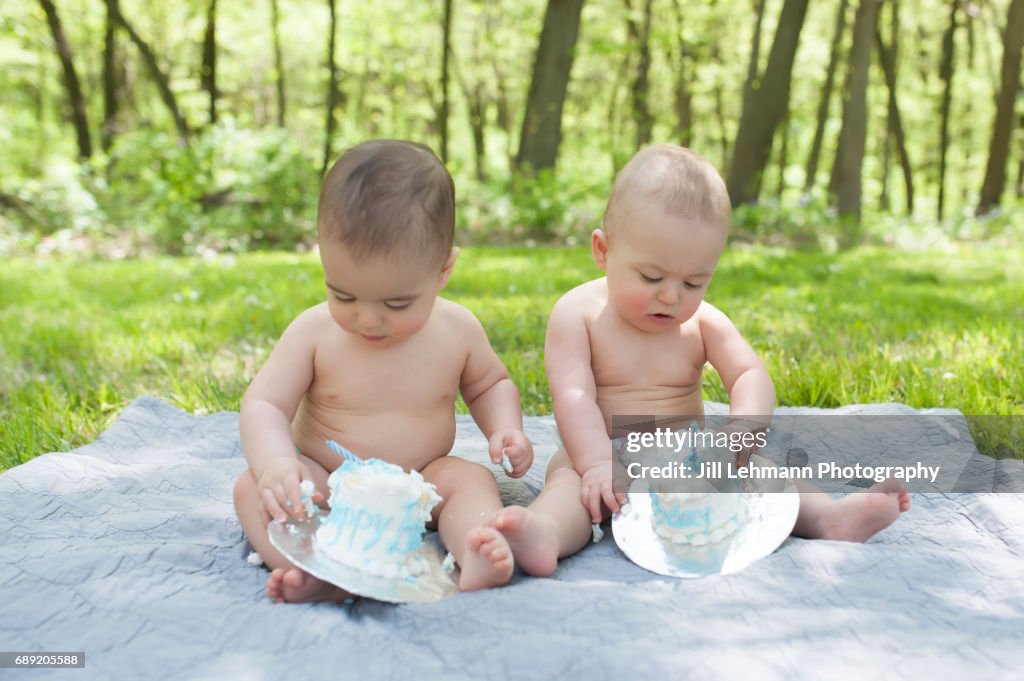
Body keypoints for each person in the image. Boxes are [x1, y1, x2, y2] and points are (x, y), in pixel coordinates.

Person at [490, 144, 911, 576]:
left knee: (766, 476)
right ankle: (545, 534)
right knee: (569, 486)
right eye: (650, 277)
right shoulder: (577, 313)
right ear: (603, 250)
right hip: (601, 452)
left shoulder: (703, 322)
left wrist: (742, 434)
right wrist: (598, 462)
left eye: (694, 282)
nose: (671, 296)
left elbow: (749, 372)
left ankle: (828, 517)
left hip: (690, 459)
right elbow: (573, 396)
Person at [233, 139, 534, 602]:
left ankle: (475, 547)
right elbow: (265, 402)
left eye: (397, 303)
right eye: (344, 295)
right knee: (251, 489)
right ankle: (311, 565)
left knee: (472, 481)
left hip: (423, 486)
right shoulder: (313, 332)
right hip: (327, 485)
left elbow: (490, 383)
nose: (368, 320)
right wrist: (277, 464)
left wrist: (505, 428)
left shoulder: (457, 329)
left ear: (443, 270)